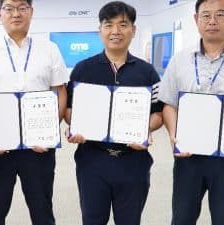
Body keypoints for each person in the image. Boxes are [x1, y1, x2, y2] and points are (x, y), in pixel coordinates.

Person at [0, 0, 68, 224]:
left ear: (31, 12)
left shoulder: (49, 49)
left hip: (38, 149)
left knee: (42, 212)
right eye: (9, 8)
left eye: (22, 8)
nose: (16, 14)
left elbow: (60, 93)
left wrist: (49, 133)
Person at [65, 2, 164, 225]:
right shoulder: (83, 70)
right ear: (100, 30)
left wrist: (144, 129)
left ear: (133, 30)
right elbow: (70, 110)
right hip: (92, 160)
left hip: (133, 162)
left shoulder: (147, 72)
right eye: (108, 25)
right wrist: (77, 126)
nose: (115, 31)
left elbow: (158, 113)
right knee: (92, 220)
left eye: (123, 24)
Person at [158, 0, 224, 224]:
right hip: (189, 156)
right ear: (195, 19)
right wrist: (173, 136)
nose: (212, 21)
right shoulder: (179, 59)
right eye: (206, 15)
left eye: (220, 14)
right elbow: (169, 104)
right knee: (182, 218)